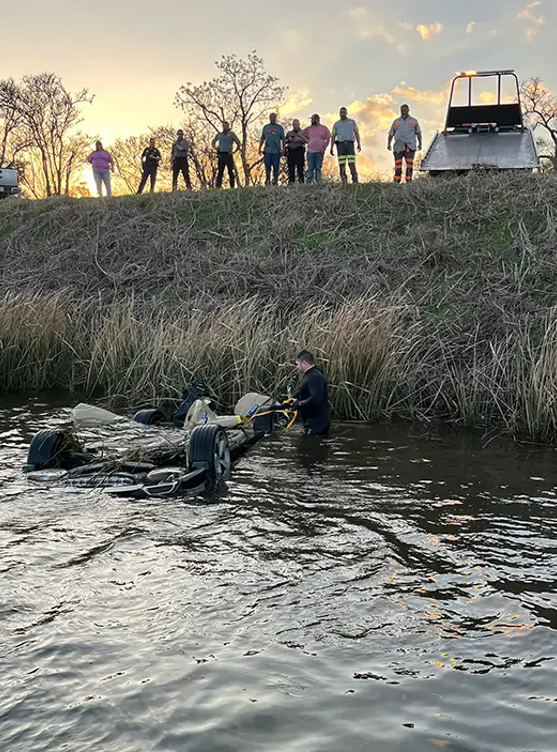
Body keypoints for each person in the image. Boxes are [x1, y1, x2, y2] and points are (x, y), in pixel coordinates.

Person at [289, 350, 331, 436]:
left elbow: (316, 398)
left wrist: (299, 404)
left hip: (316, 422)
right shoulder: (312, 375)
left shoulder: (313, 377)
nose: (296, 367)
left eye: (297, 364)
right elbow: (307, 395)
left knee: (311, 445)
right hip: (315, 420)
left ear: (304, 363)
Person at [388, 104, 423, 184]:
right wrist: (388, 144)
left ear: (408, 110)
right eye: (402, 110)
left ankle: (409, 180)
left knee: (409, 165)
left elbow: (418, 133)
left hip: (409, 147)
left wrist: (420, 143)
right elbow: (391, 134)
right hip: (398, 147)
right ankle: (397, 180)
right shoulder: (396, 122)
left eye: (405, 110)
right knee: (398, 165)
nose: (403, 112)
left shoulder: (414, 121)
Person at [331, 107, 361, 185]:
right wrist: (331, 147)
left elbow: (356, 132)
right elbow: (333, 135)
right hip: (340, 145)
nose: (342, 114)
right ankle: (344, 181)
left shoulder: (352, 122)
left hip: (350, 144)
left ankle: (355, 180)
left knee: (351, 163)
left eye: (344, 112)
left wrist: (359, 144)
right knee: (342, 164)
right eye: (341, 112)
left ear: (346, 113)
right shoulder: (336, 124)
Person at [302, 114, 331, 184]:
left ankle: (318, 181)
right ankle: (308, 182)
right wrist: (307, 140)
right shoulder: (309, 128)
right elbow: (301, 134)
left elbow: (328, 137)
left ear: (318, 119)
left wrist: (325, 147)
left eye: (314, 119)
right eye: (312, 119)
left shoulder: (324, 128)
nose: (313, 120)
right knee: (310, 168)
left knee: (318, 167)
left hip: (319, 151)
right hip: (310, 151)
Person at [212, 122, 241, 188]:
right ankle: (218, 186)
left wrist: (234, 151)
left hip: (228, 154)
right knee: (220, 171)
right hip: (221, 154)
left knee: (230, 171)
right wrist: (215, 147)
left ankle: (232, 186)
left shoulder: (231, 134)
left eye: (226, 126)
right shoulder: (220, 134)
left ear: (228, 126)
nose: (225, 127)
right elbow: (213, 142)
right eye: (224, 126)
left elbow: (238, 142)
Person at [259, 113, 285, 186]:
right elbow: (262, 138)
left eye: (274, 117)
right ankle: (267, 181)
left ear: (276, 118)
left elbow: (283, 139)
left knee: (276, 167)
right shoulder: (266, 127)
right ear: (269, 118)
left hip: (276, 151)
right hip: (267, 151)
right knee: (267, 167)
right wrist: (259, 148)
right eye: (271, 117)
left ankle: (275, 181)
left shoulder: (279, 128)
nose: (272, 119)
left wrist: (283, 149)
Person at [284, 119, 308, 184]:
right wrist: (289, 140)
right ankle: (291, 182)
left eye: (296, 125)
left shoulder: (303, 133)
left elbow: (307, 141)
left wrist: (299, 139)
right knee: (291, 168)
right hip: (291, 151)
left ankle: (301, 182)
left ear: (299, 125)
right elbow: (284, 141)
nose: (295, 126)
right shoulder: (289, 133)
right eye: (294, 125)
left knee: (300, 167)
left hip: (299, 151)